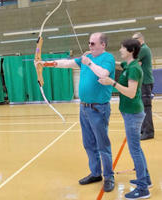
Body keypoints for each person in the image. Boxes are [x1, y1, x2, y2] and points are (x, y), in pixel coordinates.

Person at [34, 32, 115, 192]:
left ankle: (109, 176)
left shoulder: (107, 58)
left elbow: (103, 74)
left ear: (102, 45)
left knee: (102, 144)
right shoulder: (85, 60)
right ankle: (96, 173)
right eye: (89, 43)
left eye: (93, 43)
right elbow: (66, 63)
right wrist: (44, 63)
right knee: (88, 143)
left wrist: (89, 63)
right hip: (84, 108)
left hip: (99, 109)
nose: (90, 46)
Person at [98, 38, 152, 199]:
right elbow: (116, 63)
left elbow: (130, 92)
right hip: (130, 112)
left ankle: (143, 188)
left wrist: (112, 82)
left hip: (133, 114)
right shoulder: (128, 65)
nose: (120, 50)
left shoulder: (134, 68)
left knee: (134, 150)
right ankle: (146, 179)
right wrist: (100, 55)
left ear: (130, 51)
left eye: (122, 48)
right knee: (137, 150)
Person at [132, 32, 155, 140]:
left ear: (140, 39)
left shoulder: (143, 49)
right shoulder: (141, 49)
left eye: (134, 39)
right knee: (141, 107)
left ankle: (149, 132)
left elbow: (131, 60)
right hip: (143, 82)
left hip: (146, 82)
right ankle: (143, 129)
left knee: (146, 108)